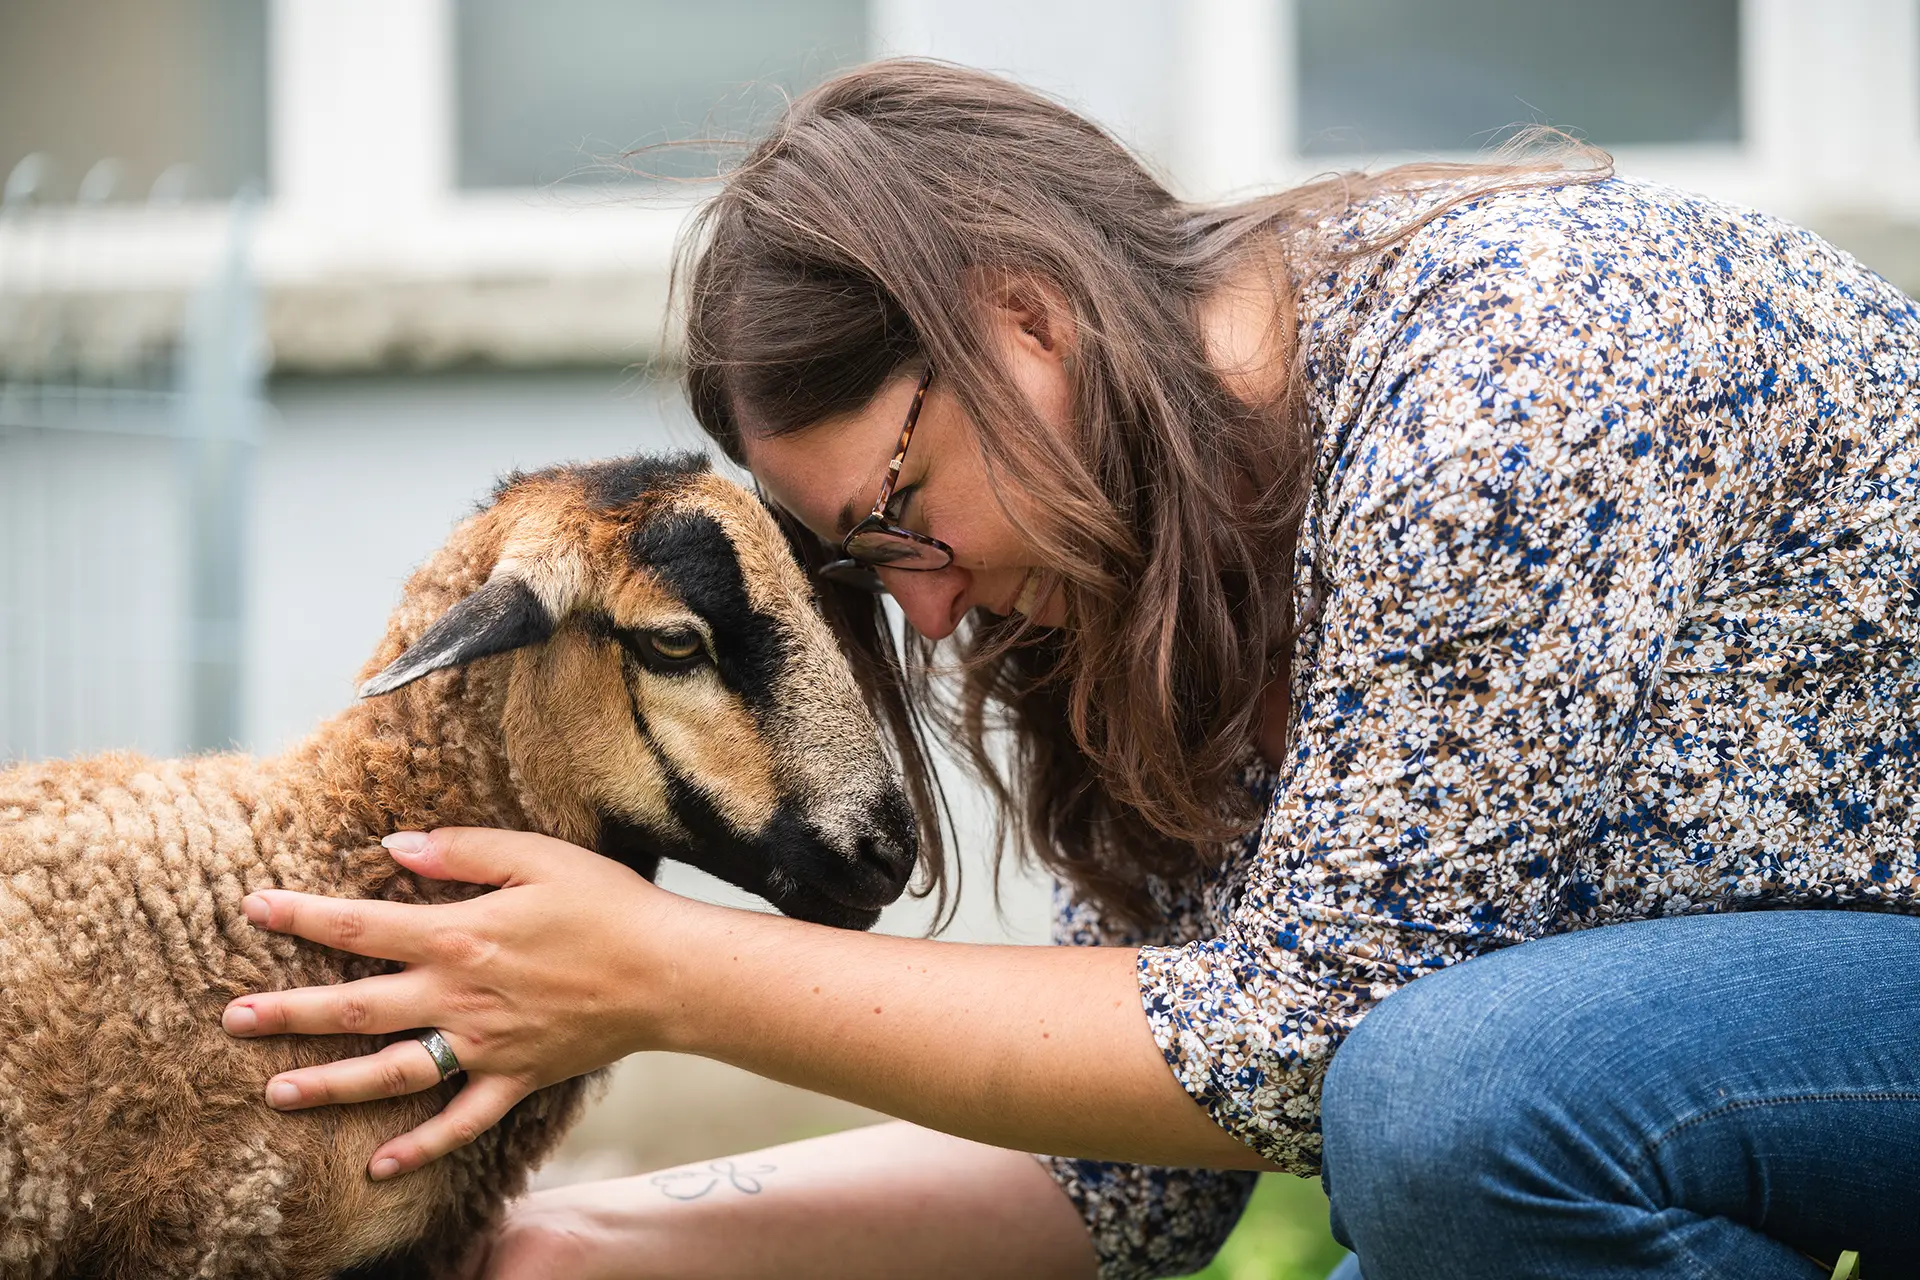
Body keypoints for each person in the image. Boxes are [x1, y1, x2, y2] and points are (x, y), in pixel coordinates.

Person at [219, 60, 1920, 1279]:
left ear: (1025, 321)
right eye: (865, 569)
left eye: (896, 517)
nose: (927, 616)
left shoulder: (1510, 384)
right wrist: (594, 1241)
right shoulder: (1142, 561)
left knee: (1452, 1098)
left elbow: (1301, 1047)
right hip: (1723, 1057)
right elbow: (1124, 1176)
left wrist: (667, 974)